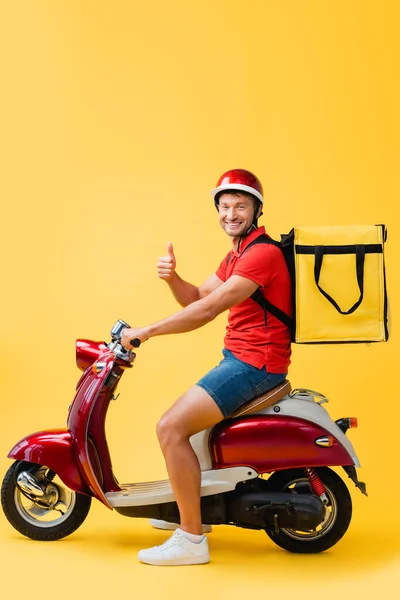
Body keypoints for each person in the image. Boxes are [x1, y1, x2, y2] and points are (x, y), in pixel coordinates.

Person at [121, 169, 292, 566]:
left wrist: (146, 332)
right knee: (190, 430)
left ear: (256, 210)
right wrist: (172, 278)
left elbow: (208, 311)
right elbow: (197, 296)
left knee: (170, 427)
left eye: (240, 206)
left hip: (256, 365)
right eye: (225, 206)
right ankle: (191, 511)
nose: (231, 213)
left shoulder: (261, 254)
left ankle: (191, 540)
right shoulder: (238, 253)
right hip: (241, 358)